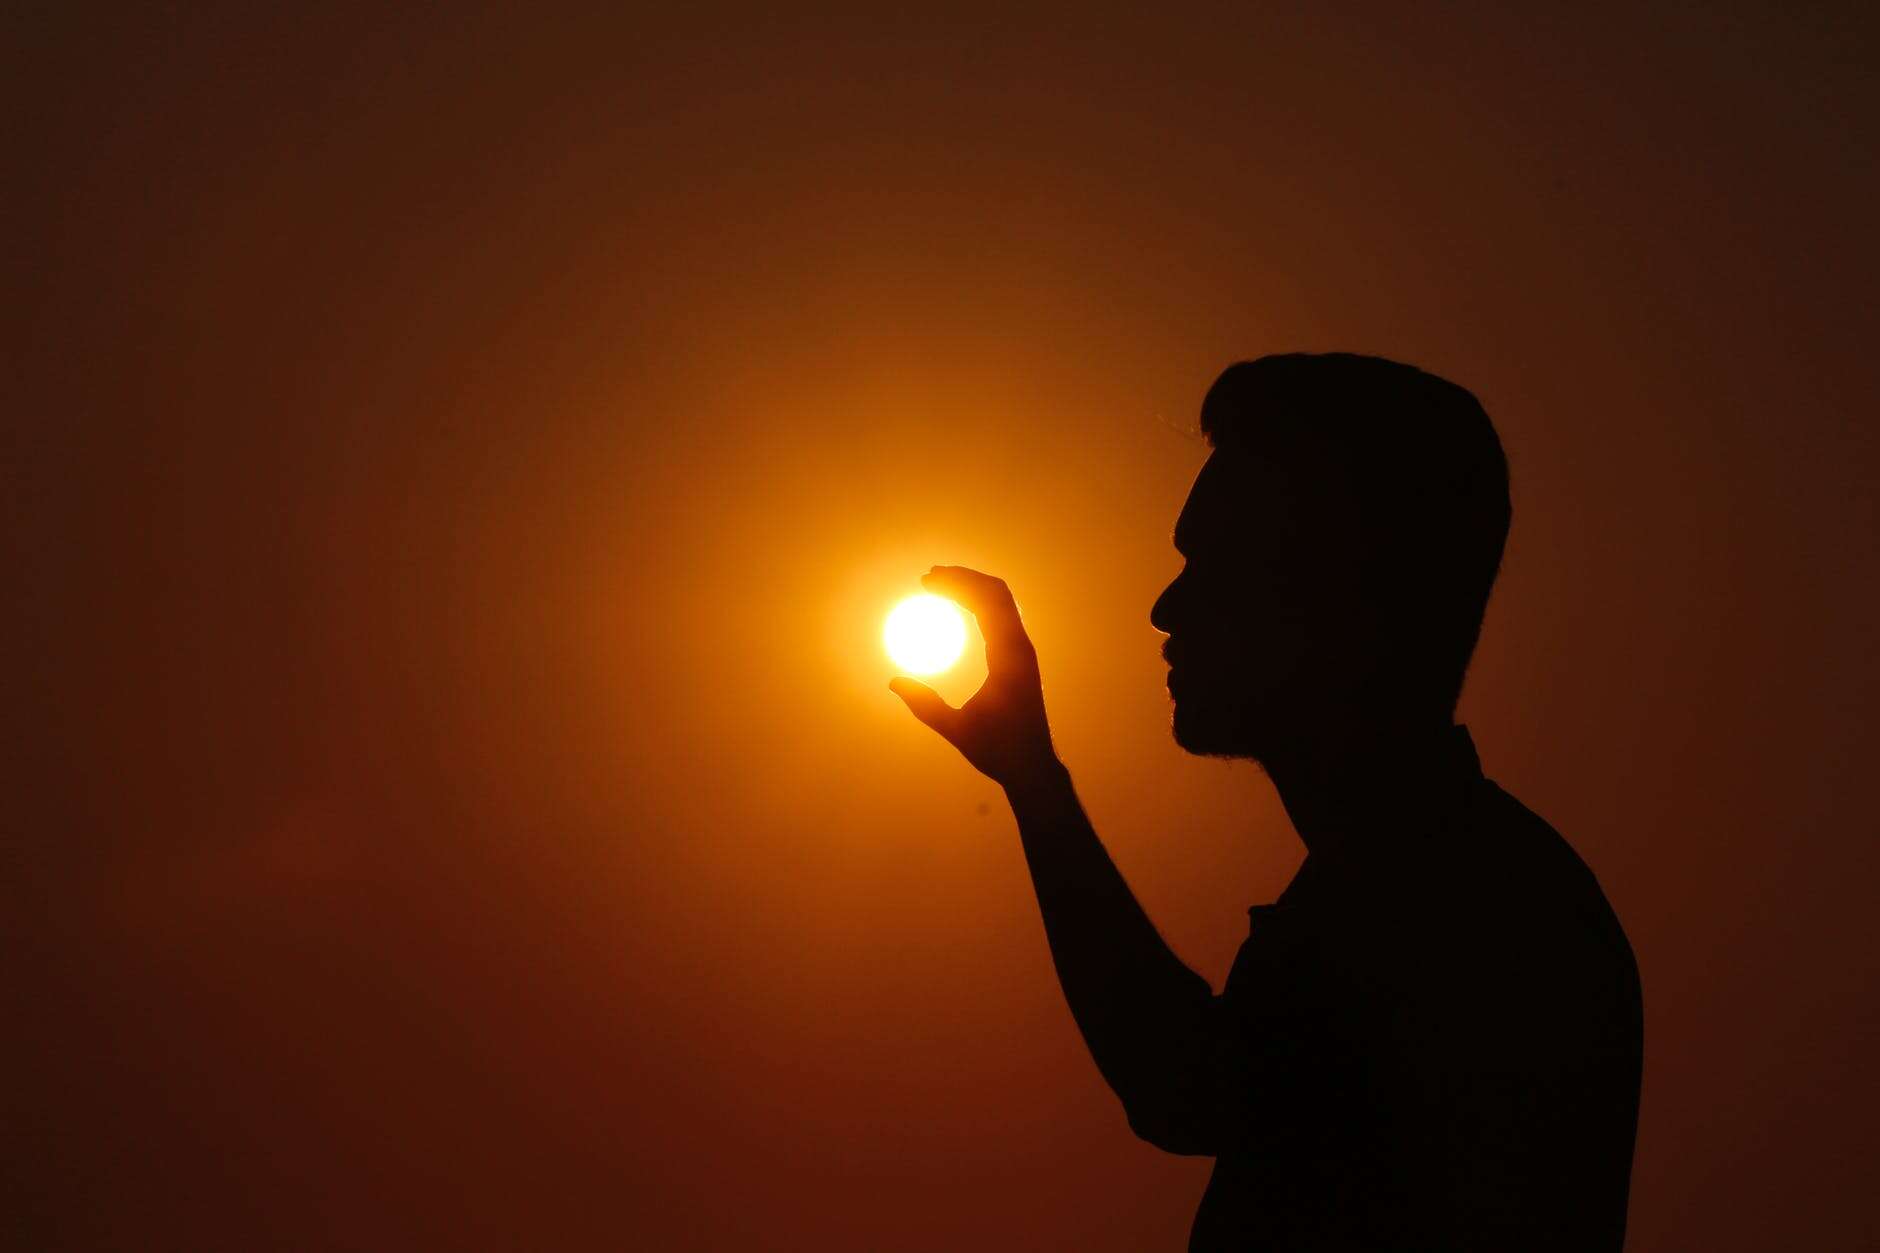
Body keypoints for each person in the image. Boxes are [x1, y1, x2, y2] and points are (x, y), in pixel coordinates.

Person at [890, 353, 1643, 1251]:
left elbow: (1188, 1085)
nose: (1167, 609)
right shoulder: (1428, 884)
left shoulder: (1468, 915)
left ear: (1335, 592)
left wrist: (1036, 784)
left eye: (1214, 565)